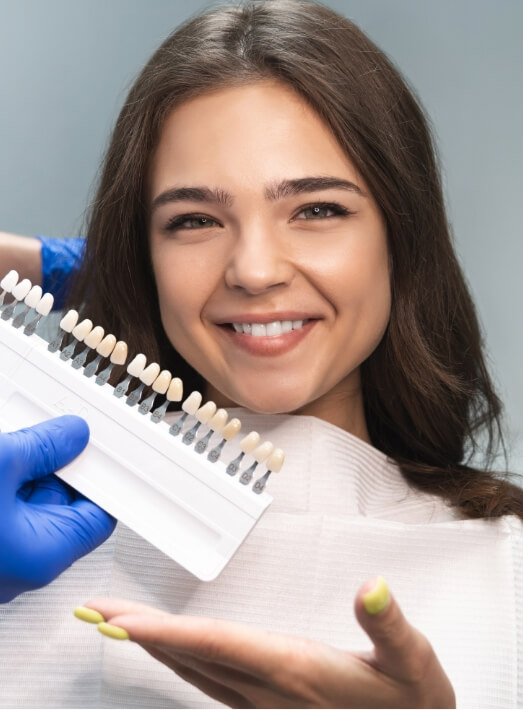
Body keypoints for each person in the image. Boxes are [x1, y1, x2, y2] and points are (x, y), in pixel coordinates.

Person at [0, 0, 521, 707]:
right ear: (142, 256)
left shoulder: (505, 575)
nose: (253, 269)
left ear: (403, 236)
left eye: (316, 210)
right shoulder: (30, 559)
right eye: (194, 221)